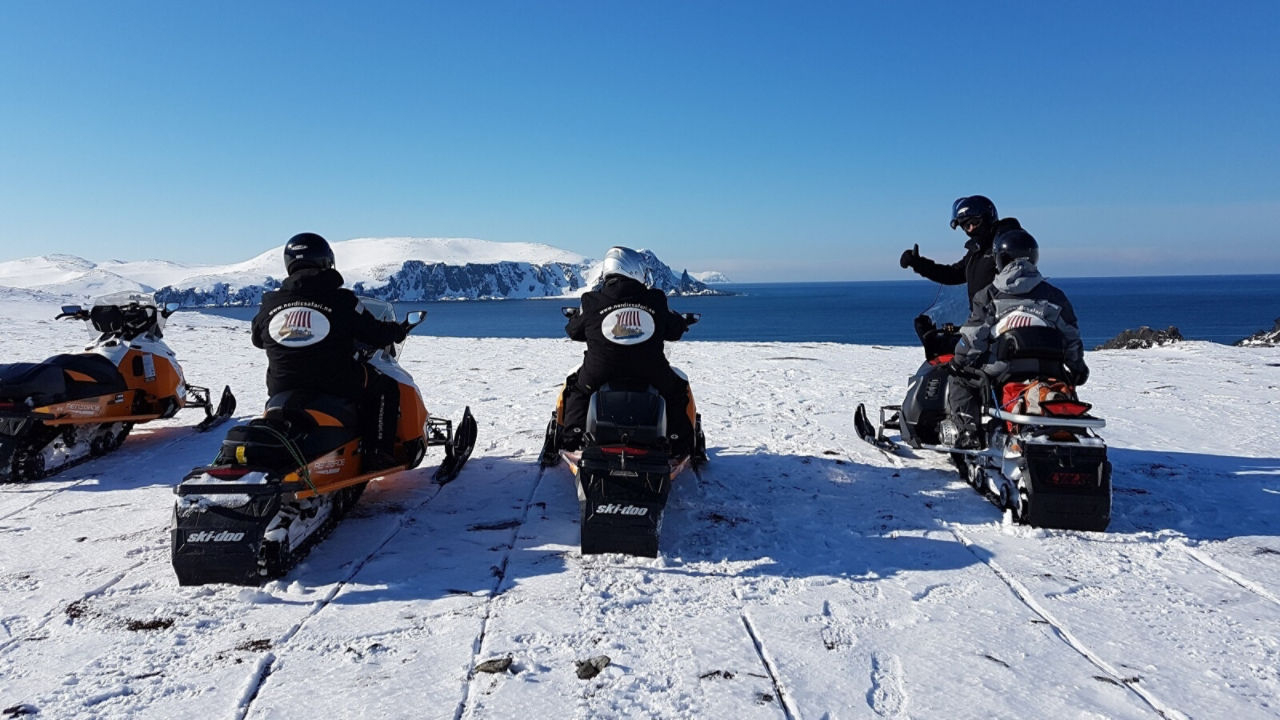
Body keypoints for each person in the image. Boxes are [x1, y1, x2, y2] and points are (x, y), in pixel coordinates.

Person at [251, 233, 409, 469]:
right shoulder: (341, 300)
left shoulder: (271, 302)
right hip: (334, 381)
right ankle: (378, 452)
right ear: (326, 261)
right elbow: (374, 332)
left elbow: (258, 339)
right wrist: (397, 331)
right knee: (384, 387)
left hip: (282, 385)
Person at [944, 227, 1088, 448]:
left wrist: (959, 360)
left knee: (959, 379)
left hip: (1003, 368)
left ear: (1000, 259)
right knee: (1064, 385)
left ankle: (968, 433)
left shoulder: (990, 295)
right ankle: (1069, 426)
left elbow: (973, 336)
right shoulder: (1055, 296)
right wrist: (1077, 366)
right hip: (1049, 369)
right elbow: (1071, 337)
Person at [559, 246, 694, 453]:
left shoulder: (591, 301)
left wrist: (582, 320)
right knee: (676, 391)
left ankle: (571, 438)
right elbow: (674, 330)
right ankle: (680, 442)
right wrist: (681, 323)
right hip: (649, 369)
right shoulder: (655, 300)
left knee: (578, 390)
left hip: (601, 369)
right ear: (634, 270)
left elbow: (573, 331)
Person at [901, 196, 1024, 341]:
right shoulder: (976, 252)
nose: (971, 229)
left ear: (988, 218)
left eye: (975, 223)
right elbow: (953, 274)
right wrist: (919, 263)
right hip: (981, 327)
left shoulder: (1007, 248)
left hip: (1004, 329)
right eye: (966, 226)